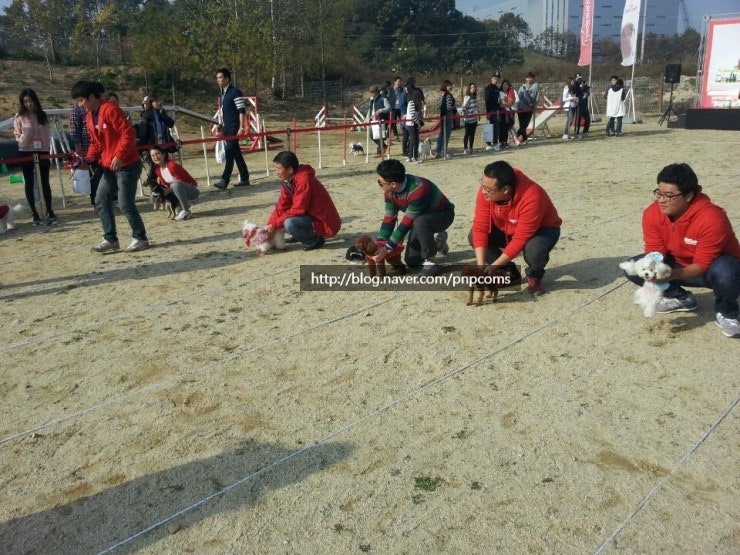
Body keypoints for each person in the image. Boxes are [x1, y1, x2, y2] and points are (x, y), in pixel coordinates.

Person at [622, 163, 740, 337]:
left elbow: (702, 265)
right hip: (679, 264)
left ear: (689, 195)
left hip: (712, 269)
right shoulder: (652, 213)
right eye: (659, 193)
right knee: (635, 267)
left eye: (669, 196)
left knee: (725, 272)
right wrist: (655, 268)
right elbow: (655, 251)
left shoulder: (712, 218)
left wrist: (671, 274)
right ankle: (680, 298)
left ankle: (727, 312)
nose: (661, 200)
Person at [71, 80, 149, 253]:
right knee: (100, 200)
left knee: (125, 203)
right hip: (108, 165)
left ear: (92, 97)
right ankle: (110, 239)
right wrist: (86, 160)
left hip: (127, 164)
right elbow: (95, 143)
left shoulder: (111, 109)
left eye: (81, 100)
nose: (79, 105)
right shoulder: (89, 117)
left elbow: (128, 133)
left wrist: (119, 156)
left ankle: (140, 238)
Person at [469, 160, 562, 295]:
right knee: (473, 235)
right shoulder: (488, 189)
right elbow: (480, 227)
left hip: (541, 230)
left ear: (505, 190)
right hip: (508, 228)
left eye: (487, 190)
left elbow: (520, 239)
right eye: (482, 185)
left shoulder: (532, 196)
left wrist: (493, 266)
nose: (483, 192)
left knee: (534, 250)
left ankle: (534, 275)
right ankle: (509, 272)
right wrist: (481, 266)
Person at [372, 159, 454, 276]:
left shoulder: (418, 189)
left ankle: (431, 263)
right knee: (412, 261)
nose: (379, 185)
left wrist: (387, 248)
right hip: (419, 219)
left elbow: (406, 223)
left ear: (393, 184)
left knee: (420, 222)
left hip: (442, 215)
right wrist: (380, 243)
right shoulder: (389, 191)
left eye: (380, 183)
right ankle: (439, 243)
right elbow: (389, 219)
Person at [265, 151, 340, 251]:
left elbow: (297, 209)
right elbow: (282, 206)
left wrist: (274, 226)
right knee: (278, 201)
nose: (276, 172)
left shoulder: (304, 181)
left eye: (279, 168)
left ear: (290, 170)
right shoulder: (289, 180)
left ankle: (313, 241)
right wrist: (269, 227)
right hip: (310, 215)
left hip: (322, 221)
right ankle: (299, 235)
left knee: (289, 223)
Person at [13, 88, 58, 226]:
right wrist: (24, 138)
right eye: (26, 101)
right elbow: (17, 134)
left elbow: (46, 133)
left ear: (35, 101)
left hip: (42, 151)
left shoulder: (42, 115)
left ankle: (49, 210)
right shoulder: (19, 117)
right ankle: (34, 213)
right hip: (26, 151)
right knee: (29, 182)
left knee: (44, 181)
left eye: (31, 101)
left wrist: (44, 147)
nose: (29, 104)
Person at [213, 68, 250, 189]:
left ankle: (224, 180)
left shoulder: (235, 92)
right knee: (236, 153)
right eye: (217, 78)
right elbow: (226, 112)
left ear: (227, 79)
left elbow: (241, 110)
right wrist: (221, 124)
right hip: (226, 127)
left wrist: (241, 127)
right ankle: (244, 178)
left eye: (220, 78)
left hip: (234, 126)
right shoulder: (223, 93)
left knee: (229, 152)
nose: (218, 80)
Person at [149, 146, 200, 221]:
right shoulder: (158, 170)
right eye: (153, 155)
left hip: (192, 191)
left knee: (176, 183)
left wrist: (168, 190)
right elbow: (165, 186)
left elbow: (181, 181)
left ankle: (187, 211)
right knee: (154, 193)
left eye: (157, 154)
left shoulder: (172, 166)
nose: (155, 157)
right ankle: (182, 206)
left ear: (163, 154)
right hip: (177, 191)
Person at [138, 93, 176, 185]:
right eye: (156, 101)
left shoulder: (161, 113)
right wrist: (140, 149)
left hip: (164, 145)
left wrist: (163, 115)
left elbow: (171, 124)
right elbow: (143, 132)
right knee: (155, 168)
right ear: (151, 103)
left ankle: (164, 187)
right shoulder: (147, 115)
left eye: (160, 100)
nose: (159, 103)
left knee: (164, 168)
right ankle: (154, 187)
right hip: (153, 146)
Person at [69, 98, 100, 207]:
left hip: (98, 146)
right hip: (85, 149)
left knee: (99, 175)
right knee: (92, 176)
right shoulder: (76, 109)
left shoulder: (95, 107)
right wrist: (78, 149)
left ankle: (104, 200)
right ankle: (95, 202)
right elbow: (74, 130)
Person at [367, 85, 391, 158]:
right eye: (371, 92)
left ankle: (380, 152)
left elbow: (389, 108)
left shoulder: (383, 99)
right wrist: (368, 118)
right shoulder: (372, 100)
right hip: (373, 120)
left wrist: (381, 110)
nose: (371, 94)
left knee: (380, 136)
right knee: (372, 135)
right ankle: (384, 145)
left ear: (376, 92)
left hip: (382, 120)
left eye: (372, 92)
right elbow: (370, 110)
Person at [516, 72, 540, 144]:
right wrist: (516, 107)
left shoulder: (535, 86)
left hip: (530, 108)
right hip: (521, 108)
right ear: (525, 78)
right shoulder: (521, 87)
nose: (529, 79)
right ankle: (524, 139)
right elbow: (518, 98)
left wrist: (534, 106)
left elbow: (537, 97)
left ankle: (517, 136)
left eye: (530, 78)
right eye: (527, 78)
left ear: (533, 78)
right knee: (522, 125)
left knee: (525, 125)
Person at [435, 80, 456, 158]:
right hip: (448, 117)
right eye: (449, 85)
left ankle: (438, 151)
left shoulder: (441, 95)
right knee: (446, 135)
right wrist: (454, 107)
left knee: (441, 134)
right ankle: (444, 151)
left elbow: (438, 106)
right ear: (445, 86)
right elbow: (449, 107)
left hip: (442, 116)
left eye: (451, 85)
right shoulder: (448, 95)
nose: (450, 87)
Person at [405, 86, 424, 164]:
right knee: (413, 141)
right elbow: (413, 115)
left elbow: (418, 114)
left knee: (416, 141)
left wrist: (420, 122)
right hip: (411, 124)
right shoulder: (411, 103)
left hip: (415, 124)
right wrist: (418, 123)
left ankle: (415, 157)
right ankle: (411, 157)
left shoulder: (417, 104)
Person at [483, 71, 501, 150]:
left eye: (497, 78)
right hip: (491, 110)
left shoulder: (497, 88)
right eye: (494, 78)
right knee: (492, 126)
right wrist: (488, 112)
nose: (495, 80)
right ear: (491, 79)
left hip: (496, 110)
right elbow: (487, 100)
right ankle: (491, 144)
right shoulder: (489, 88)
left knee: (495, 126)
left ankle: (492, 143)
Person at [498, 79, 517, 149]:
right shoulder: (501, 93)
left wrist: (509, 103)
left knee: (506, 128)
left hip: (508, 112)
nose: (505, 86)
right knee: (502, 128)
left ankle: (505, 142)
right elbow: (503, 103)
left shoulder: (507, 93)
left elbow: (510, 102)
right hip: (502, 112)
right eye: (504, 84)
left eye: (506, 84)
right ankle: (502, 143)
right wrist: (509, 104)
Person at [461, 83, 480, 154]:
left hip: (474, 119)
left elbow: (477, 107)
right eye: (471, 87)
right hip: (468, 119)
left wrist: (478, 114)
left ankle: (471, 147)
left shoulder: (474, 97)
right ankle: (465, 148)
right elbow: (464, 108)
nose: (473, 89)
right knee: (467, 133)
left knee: (472, 134)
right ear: (469, 89)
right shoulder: (467, 97)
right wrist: (466, 115)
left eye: (474, 87)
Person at [574, 73, 591, 138]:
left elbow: (588, 91)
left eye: (580, 78)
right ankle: (576, 133)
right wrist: (582, 87)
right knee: (578, 119)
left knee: (588, 119)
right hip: (578, 105)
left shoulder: (584, 84)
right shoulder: (575, 86)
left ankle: (585, 132)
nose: (579, 80)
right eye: (578, 79)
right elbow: (578, 92)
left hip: (585, 104)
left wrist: (587, 93)